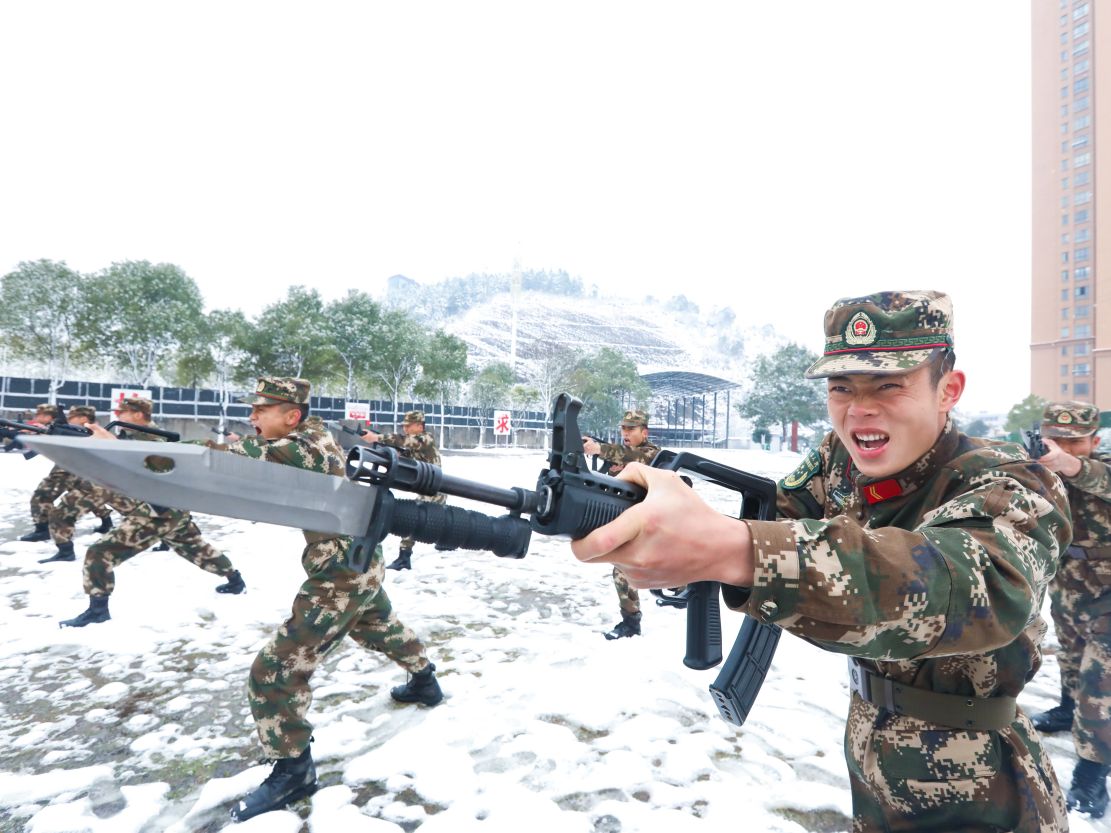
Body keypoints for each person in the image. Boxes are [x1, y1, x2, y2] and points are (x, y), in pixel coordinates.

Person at [571, 291, 1071, 832]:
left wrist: (735, 550)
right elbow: (777, 515)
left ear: (948, 390)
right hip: (871, 750)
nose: (859, 409)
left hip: (981, 785)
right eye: (841, 387)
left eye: (888, 385)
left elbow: (968, 588)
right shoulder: (838, 460)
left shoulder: (1011, 481)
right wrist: (640, 516)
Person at [205, 377, 443, 822]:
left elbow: (223, 458)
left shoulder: (303, 446)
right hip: (357, 560)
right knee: (379, 627)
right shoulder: (309, 438)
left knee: (275, 670)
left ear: (291, 416)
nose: (252, 417)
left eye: (261, 410)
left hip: (341, 572)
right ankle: (424, 680)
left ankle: (294, 771)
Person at [57, 397, 244, 626]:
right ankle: (235, 580)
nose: (118, 416)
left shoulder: (153, 438)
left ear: (138, 414)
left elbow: (148, 466)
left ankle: (98, 611)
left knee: (100, 552)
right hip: (170, 509)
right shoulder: (132, 435)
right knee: (195, 547)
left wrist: (112, 448)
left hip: (158, 511)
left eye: (122, 412)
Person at [1028, 400, 1111, 817]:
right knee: (1072, 653)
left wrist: (1072, 466)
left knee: (1102, 680)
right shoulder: (1038, 472)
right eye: (1054, 439)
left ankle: (1092, 773)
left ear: (1094, 441)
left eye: (1074, 441)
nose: (1062, 448)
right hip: (1068, 584)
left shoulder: (1101, 468)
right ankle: (1067, 708)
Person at [582, 410, 662, 639]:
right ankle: (631, 623)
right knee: (622, 571)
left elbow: (634, 458)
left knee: (668, 573)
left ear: (644, 432)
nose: (625, 433)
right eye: (623, 428)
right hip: (627, 521)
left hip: (653, 524)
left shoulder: (652, 454)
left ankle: (680, 592)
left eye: (631, 429)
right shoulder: (620, 456)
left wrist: (599, 449)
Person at [362, 410, 446, 570]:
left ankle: (405, 557)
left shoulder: (426, 439)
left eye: (409, 426)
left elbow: (402, 441)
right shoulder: (415, 444)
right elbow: (405, 454)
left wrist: (376, 437)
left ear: (420, 426)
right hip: (426, 488)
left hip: (435, 490)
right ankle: (411, 555)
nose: (405, 429)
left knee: (418, 521)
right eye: (404, 426)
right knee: (429, 522)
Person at [17, 405, 113, 543]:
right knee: (86, 494)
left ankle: (44, 530)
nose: (69, 418)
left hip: (70, 467)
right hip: (72, 466)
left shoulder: (93, 433)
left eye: (72, 416)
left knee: (43, 494)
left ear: (83, 418)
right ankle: (106, 521)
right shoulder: (73, 430)